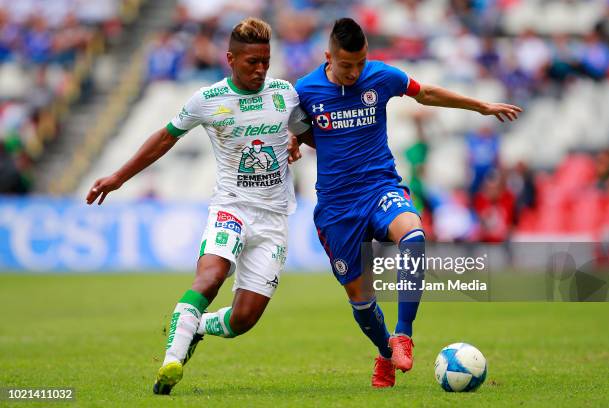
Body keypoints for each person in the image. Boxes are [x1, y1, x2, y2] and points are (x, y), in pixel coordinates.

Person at [85, 17, 309, 395]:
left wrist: (298, 140)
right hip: (231, 207)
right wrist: (119, 177)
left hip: (273, 218)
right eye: (252, 61)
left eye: (265, 61)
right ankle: (172, 360)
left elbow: (306, 129)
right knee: (210, 278)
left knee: (243, 320)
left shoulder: (284, 94)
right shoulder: (207, 100)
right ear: (230, 59)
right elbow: (164, 138)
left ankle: (197, 328)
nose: (260, 69)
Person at [293, 18, 521, 388]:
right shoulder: (304, 89)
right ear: (327, 57)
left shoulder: (381, 76)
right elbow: (293, 123)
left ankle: (403, 334)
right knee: (360, 298)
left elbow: (425, 93)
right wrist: (293, 139)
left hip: (380, 185)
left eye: (360, 63)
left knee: (414, 237)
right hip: (337, 205)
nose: (355, 72)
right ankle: (385, 353)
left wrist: (480, 106)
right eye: (346, 65)